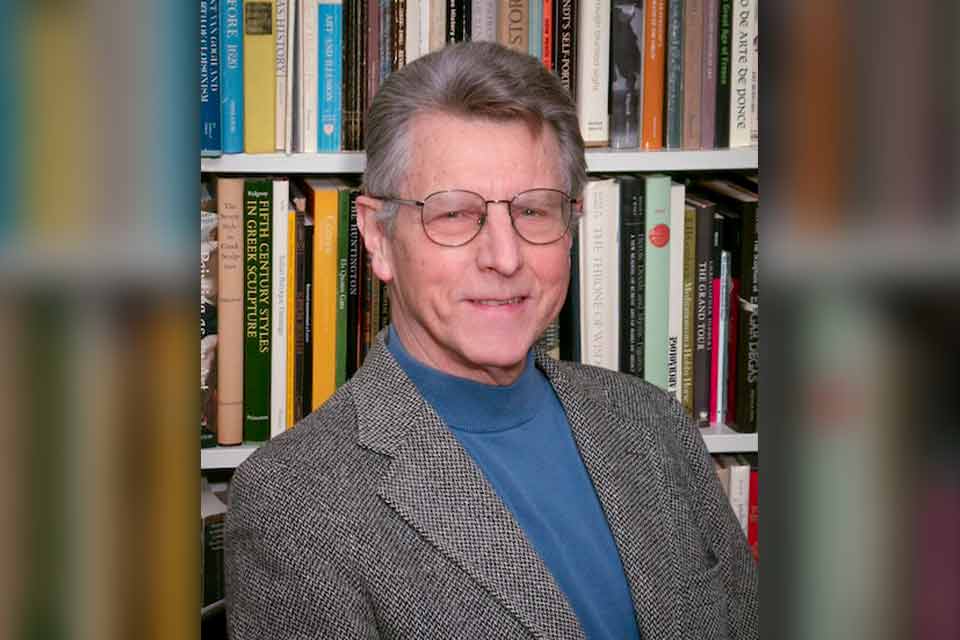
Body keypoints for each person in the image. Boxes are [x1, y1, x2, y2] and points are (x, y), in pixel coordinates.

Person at [225, 41, 758, 640]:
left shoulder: (651, 418)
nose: (504, 258)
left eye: (533, 211)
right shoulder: (295, 503)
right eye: (453, 214)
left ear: (570, 226)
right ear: (377, 237)